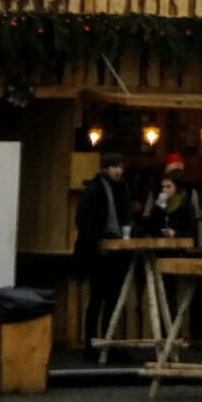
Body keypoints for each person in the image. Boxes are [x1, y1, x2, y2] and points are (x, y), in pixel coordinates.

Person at [72, 150, 132, 358]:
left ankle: (108, 342)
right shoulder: (94, 189)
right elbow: (83, 219)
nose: (118, 171)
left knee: (112, 299)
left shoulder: (122, 189)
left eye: (121, 167)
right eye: (114, 167)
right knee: (96, 298)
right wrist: (96, 241)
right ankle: (90, 345)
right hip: (97, 250)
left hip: (117, 249)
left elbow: (126, 215)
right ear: (105, 168)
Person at [141, 154, 199, 243]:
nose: (164, 190)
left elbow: (192, 231)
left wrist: (176, 233)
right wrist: (157, 208)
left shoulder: (186, 203)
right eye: (163, 187)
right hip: (159, 245)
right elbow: (149, 228)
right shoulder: (159, 198)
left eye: (168, 187)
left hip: (179, 246)